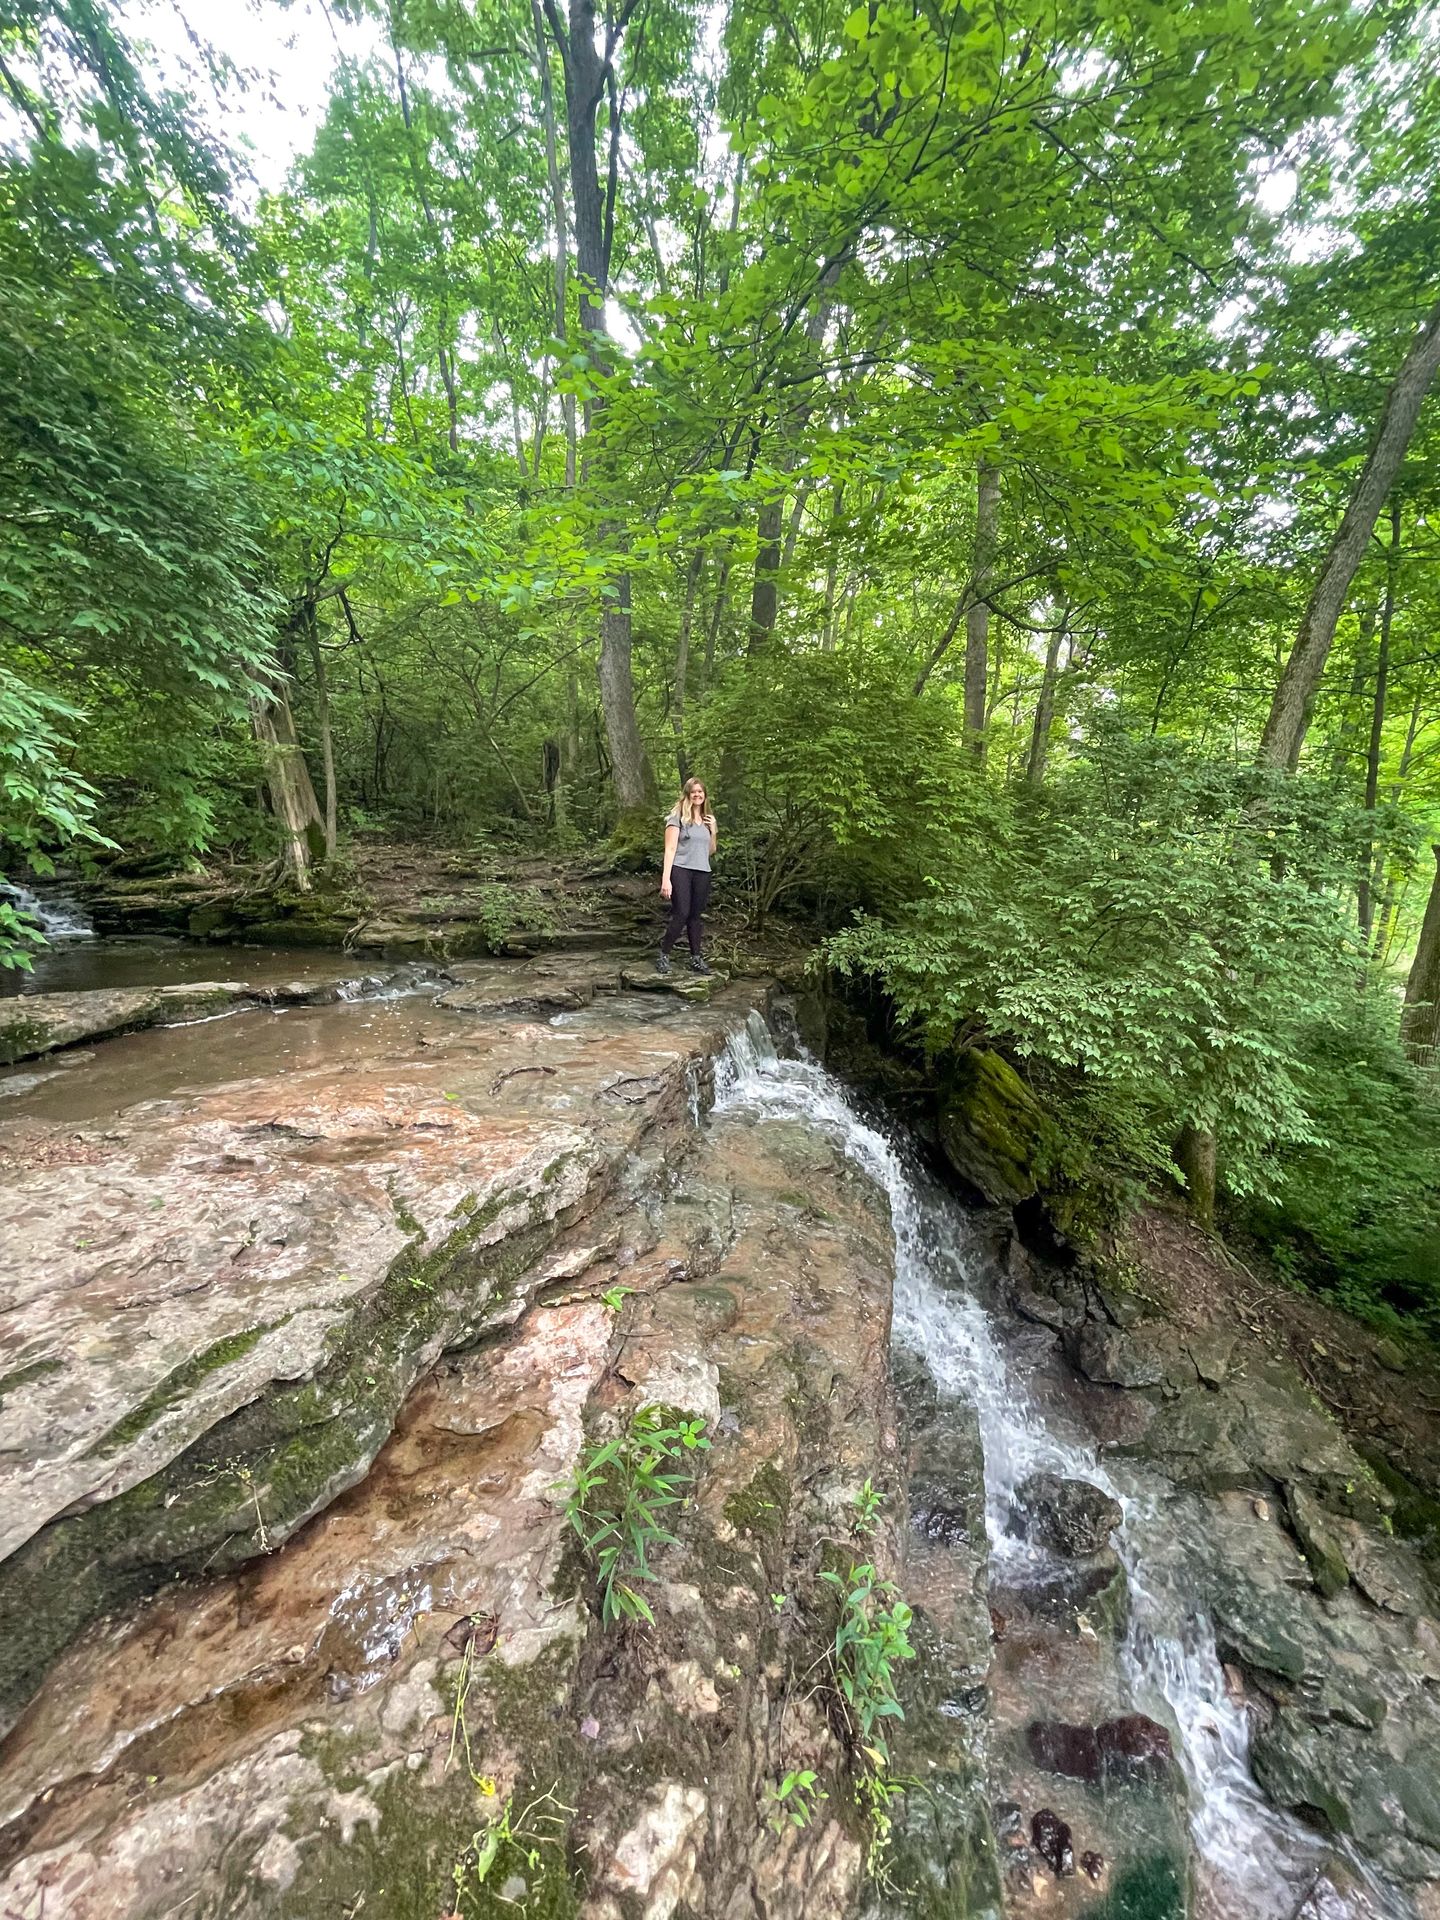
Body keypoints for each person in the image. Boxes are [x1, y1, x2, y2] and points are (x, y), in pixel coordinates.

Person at [657, 777, 716, 975]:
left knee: (695, 917)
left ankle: (696, 958)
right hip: (680, 869)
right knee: (681, 912)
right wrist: (666, 878)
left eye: (700, 792)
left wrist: (714, 831)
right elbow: (670, 848)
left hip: (702, 871)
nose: (697, 795)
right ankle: (664, 955)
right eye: (694, 792)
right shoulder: (677, 818)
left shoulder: (707, 820)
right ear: (688, 794)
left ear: (704, 795)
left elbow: (711, 851)